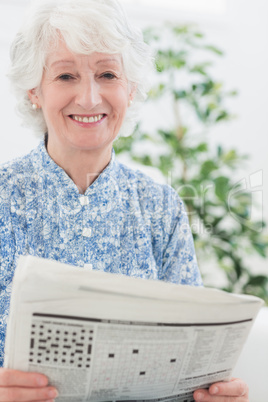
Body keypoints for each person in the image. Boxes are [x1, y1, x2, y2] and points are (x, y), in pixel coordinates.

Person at [0, 0, 249, 401]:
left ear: (130, 90)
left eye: (107, 74)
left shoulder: (161, 208)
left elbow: (193, 366)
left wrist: (213, 393)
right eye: (66, 75)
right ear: (34, 91)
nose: (88, 97)